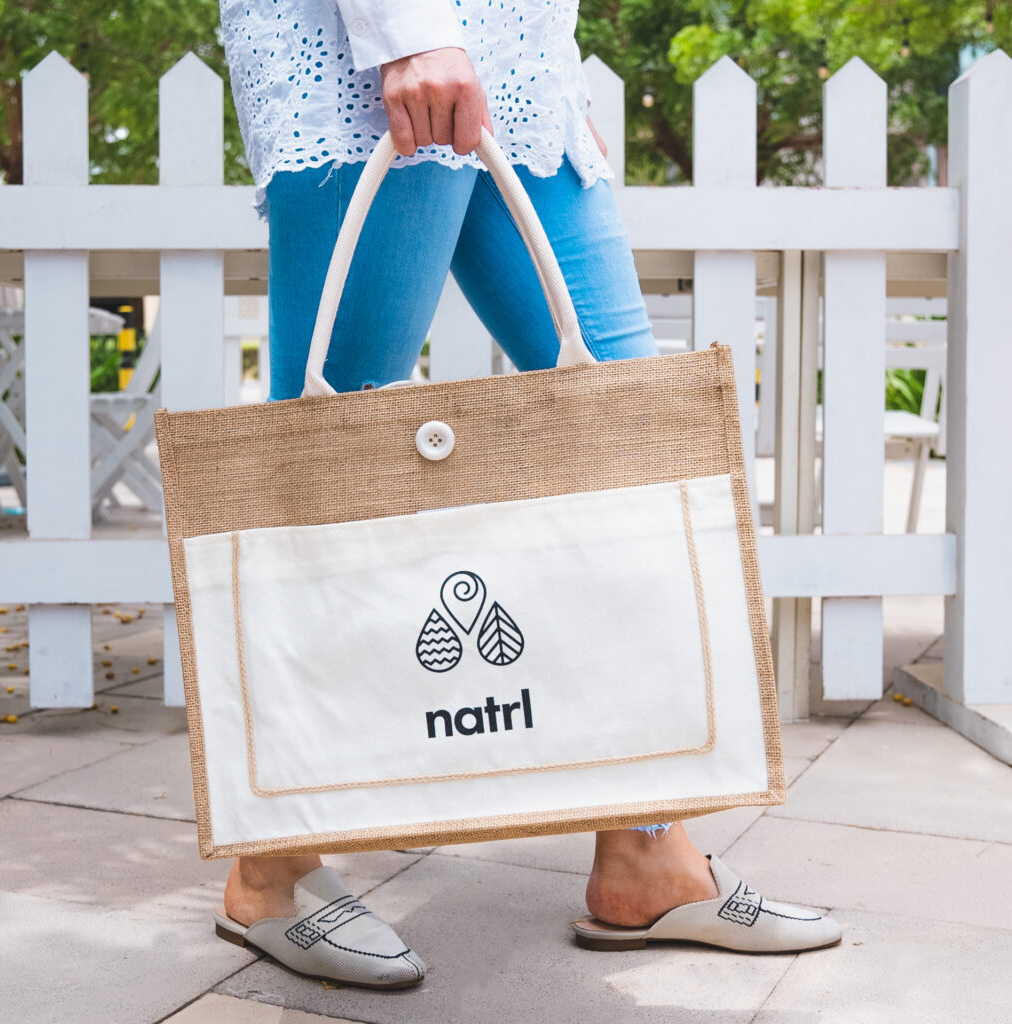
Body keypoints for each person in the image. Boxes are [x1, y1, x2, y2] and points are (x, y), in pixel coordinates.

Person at [215, 0, 842, 988]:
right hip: (376, 54)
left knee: (624, 441)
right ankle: (274, 863)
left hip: (518, 64)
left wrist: (556, 70)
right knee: (334, 456)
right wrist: (409, 30)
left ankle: (647, 849)